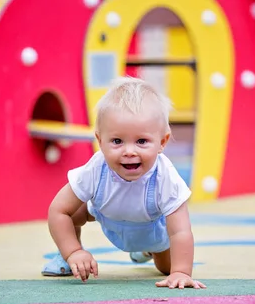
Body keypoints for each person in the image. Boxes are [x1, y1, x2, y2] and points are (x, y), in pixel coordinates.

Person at [42, 76, 206, 289]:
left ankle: (147, 250)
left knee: (167, 268)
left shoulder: (165, 176)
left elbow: (180, 231)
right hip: (107, 215)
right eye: (117, 141)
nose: (129, 151)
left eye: (141, 141)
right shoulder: (96, 169)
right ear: (100, 141)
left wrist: (181, 272)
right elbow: (58, 210)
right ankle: (67, 258)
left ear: (162, 142)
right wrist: (73, 250)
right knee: (73, 212)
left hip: (151, 230)